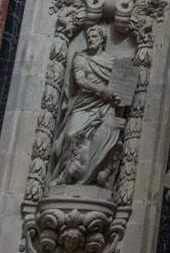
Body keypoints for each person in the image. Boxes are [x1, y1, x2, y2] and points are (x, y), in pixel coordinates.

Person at [50, 27, 123, 188]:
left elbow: (120, 88)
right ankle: (65, 173)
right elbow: (80, 80)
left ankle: (92, 177)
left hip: (104, 106)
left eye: (94, 36)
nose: (90, 40)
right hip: (83, 104)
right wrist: (101, 90)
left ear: (102, 39)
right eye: (88, 37)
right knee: (71, 135)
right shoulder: (81, 58)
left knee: (105, 134)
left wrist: (117, 97)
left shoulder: (113, 62)